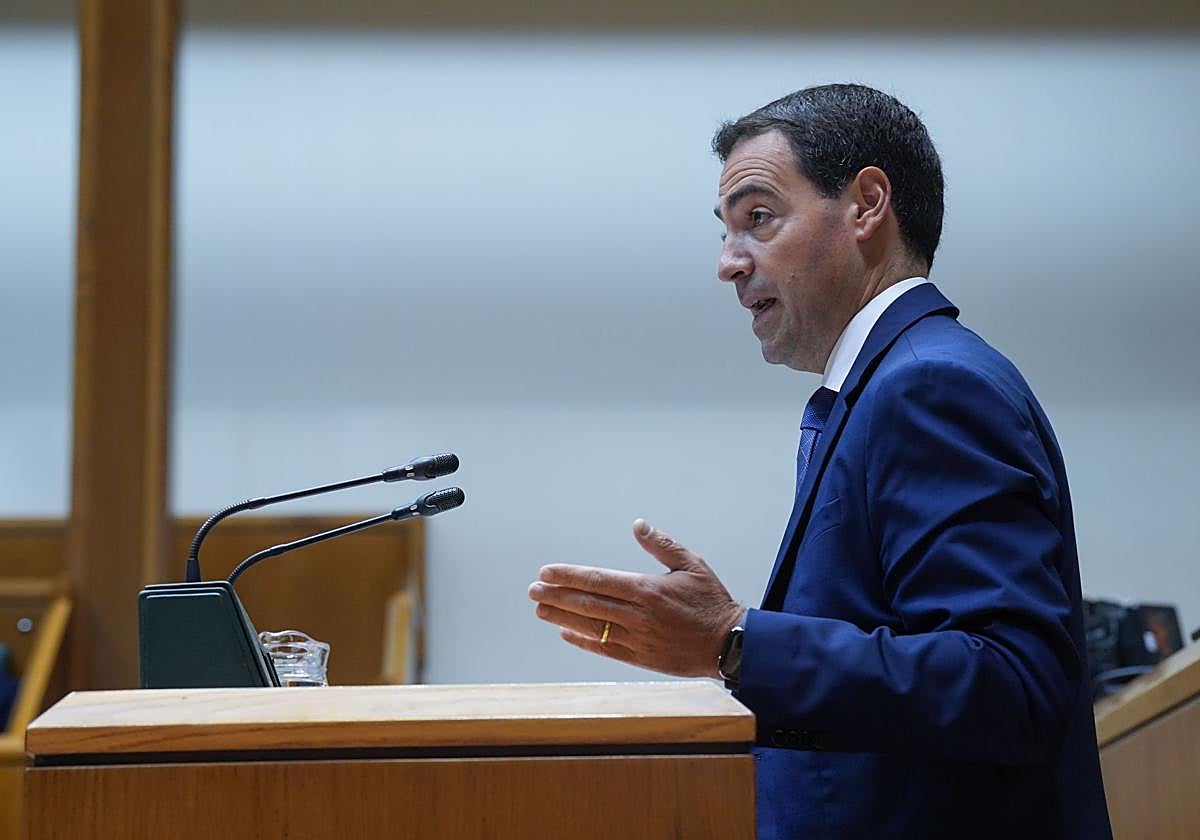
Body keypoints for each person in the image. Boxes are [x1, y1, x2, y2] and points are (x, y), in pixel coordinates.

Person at [527, 84, 1112, 839]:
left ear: (867, 205)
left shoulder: (930, 386)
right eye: (725, 231)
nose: (728, 264)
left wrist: (734, 642)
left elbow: (1008, 683)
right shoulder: (884, 388)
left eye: (758, 219)